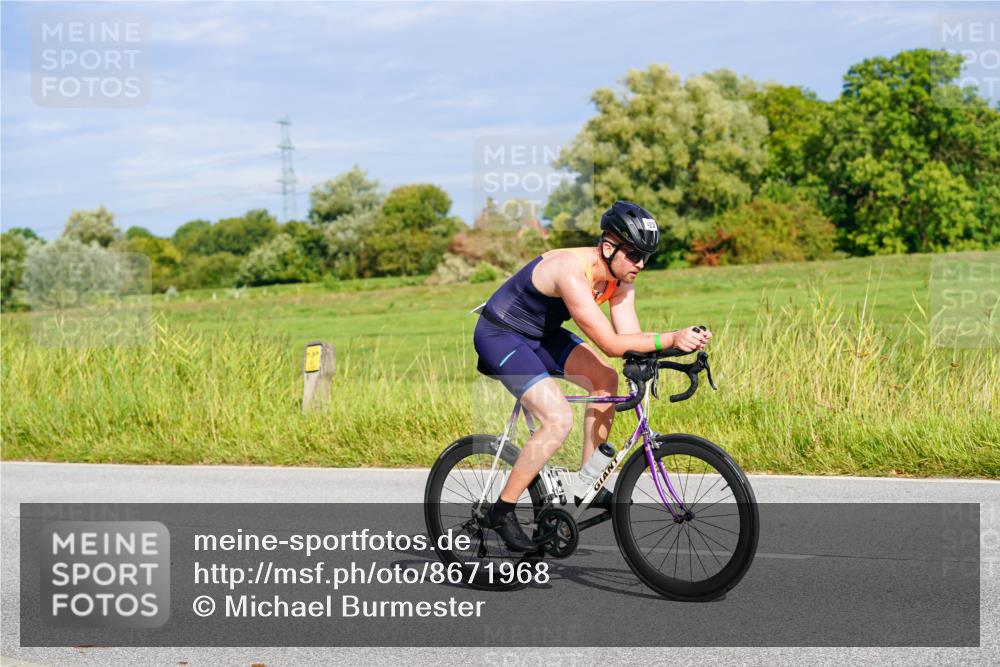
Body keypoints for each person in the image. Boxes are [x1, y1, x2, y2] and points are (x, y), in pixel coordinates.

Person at [473, 200, 713, 551]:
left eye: (645, 256)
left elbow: (629, 338)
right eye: (633, 255)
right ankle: (501, 510)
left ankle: (588, 480)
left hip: (542, 334)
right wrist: (670, 336)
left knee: (605, 380)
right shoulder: (571, 269)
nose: (640, 264)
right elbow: (610, 343)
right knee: (558, 419)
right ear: (608, 246)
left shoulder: (620, 278)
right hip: (501, 335)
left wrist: (674, 349)